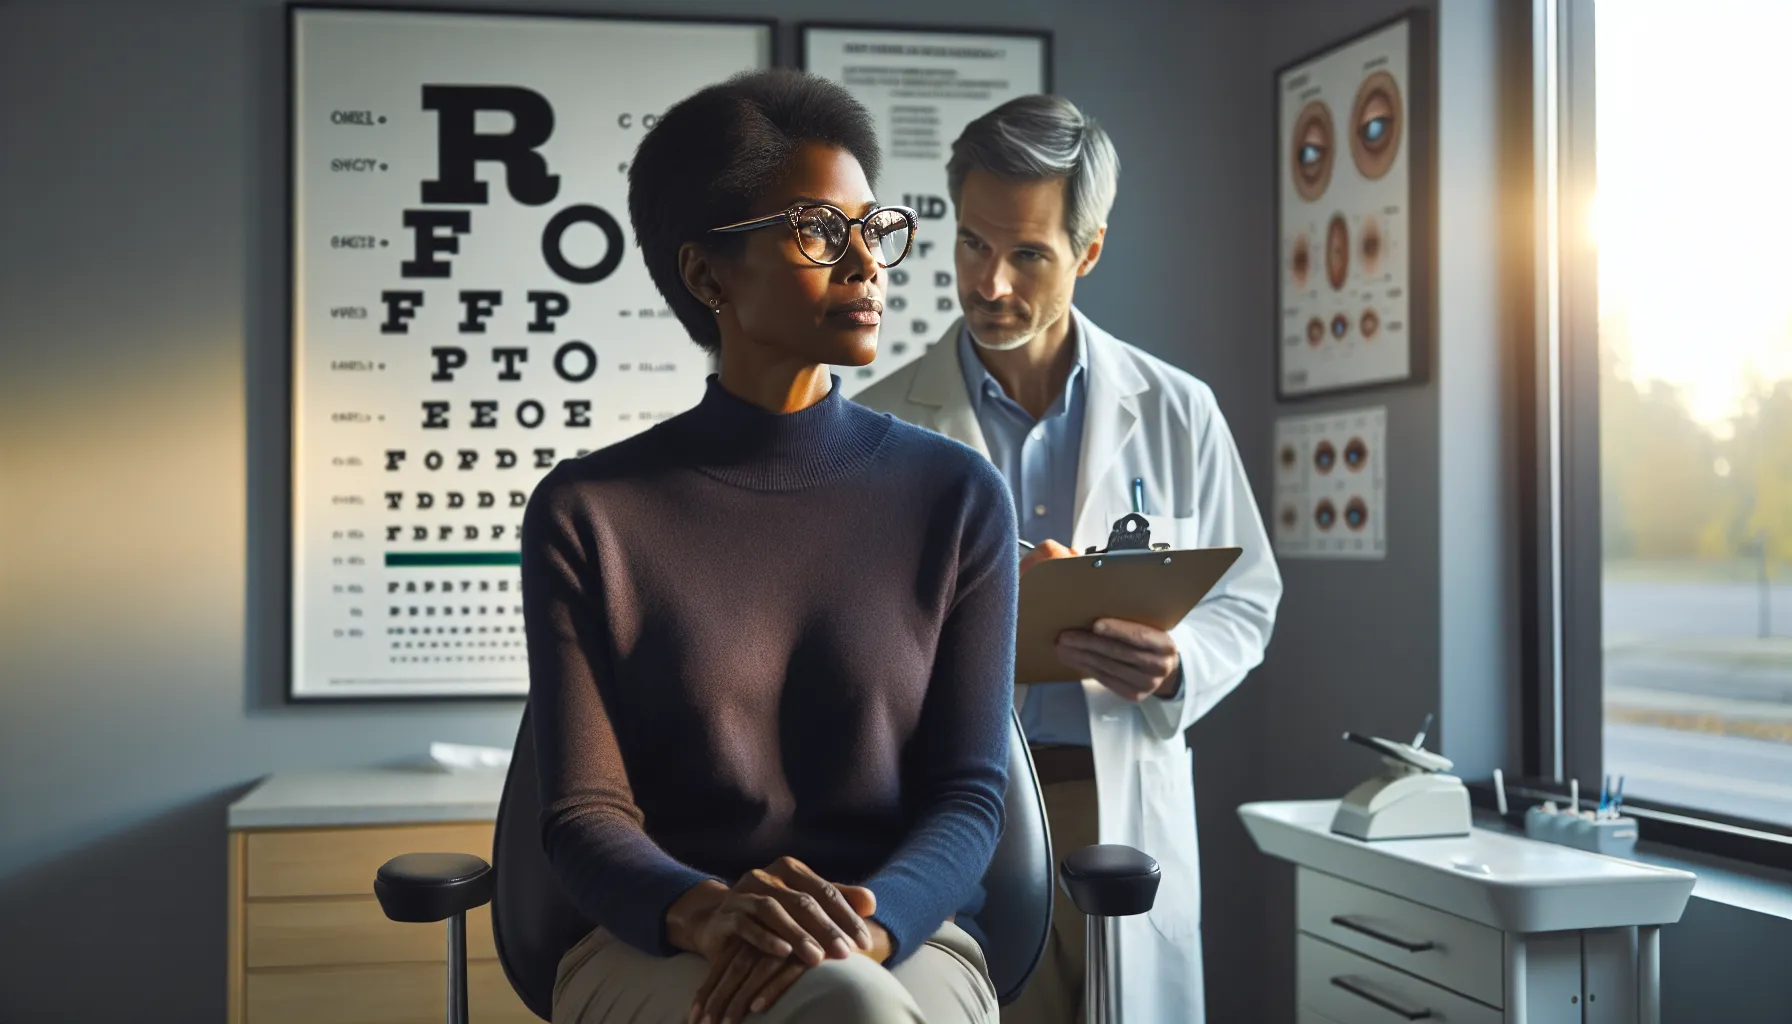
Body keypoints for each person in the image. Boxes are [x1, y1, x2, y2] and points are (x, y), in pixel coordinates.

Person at [521, 69, 1015, 1024]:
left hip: (904, 936)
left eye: (873, 229)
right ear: (708, 275)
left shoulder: (958, 498)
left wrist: (860, 931)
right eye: (819, 232)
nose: (866, 264)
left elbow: (967, 797)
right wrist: (711, 913)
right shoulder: (589, 514)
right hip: (662, 938)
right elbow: (583, 814)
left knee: (854, 1005)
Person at [856, 94, 1283, 1024]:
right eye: (973, 243)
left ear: (1087, 253)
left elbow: (1247, 599)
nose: (989, 282)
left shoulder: (1177, 411)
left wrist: (1177, 663)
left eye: (1028, 255)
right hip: (953, 808)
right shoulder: (879, 424)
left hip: (1117, 794)